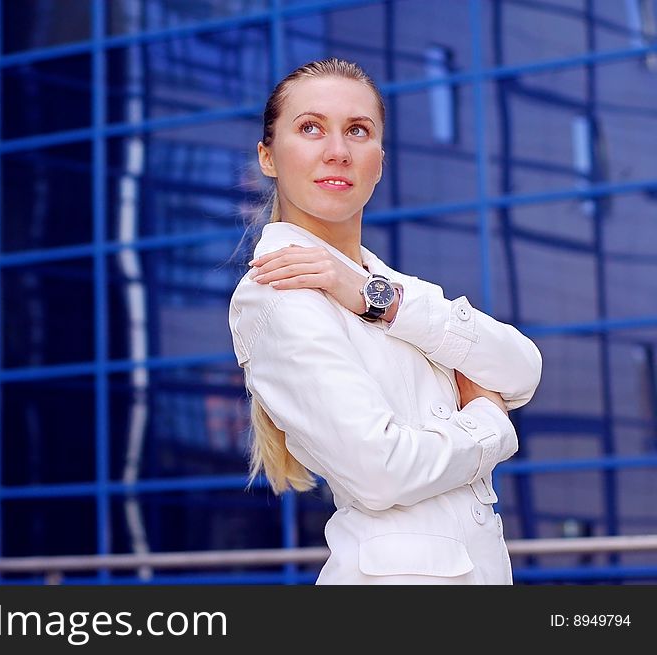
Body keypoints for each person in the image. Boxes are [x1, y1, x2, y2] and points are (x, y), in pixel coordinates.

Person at [228, 58, 542, 584]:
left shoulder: (383, 284)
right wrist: (487, 420)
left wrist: (379, 300)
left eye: (358, 130)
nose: (337, 151)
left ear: (379, 159)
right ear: (269, 157)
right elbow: (380, 471)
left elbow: (522, 368)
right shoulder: (278, 291)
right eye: (310, 128)